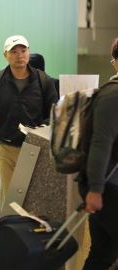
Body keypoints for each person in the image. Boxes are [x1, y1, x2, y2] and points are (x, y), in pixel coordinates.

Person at [0, 35, 57, 210]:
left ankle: (31, 235)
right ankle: (8, 234)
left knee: (34, 199)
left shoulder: (43, 80)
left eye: (23, 50)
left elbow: (55, 111)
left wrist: (43, 127)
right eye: (14, 51)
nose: (20, 55)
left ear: (28, 52)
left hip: (35, 147)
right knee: (9, 200)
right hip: (6, 147)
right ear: (5, 55)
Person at [79, 37, 118, 270]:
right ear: (115, 62)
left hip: (107, 186)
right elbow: (100, 143)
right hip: (107, 187)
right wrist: (95, 189)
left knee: (103, 253)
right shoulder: (112, 95)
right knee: (103, 252)